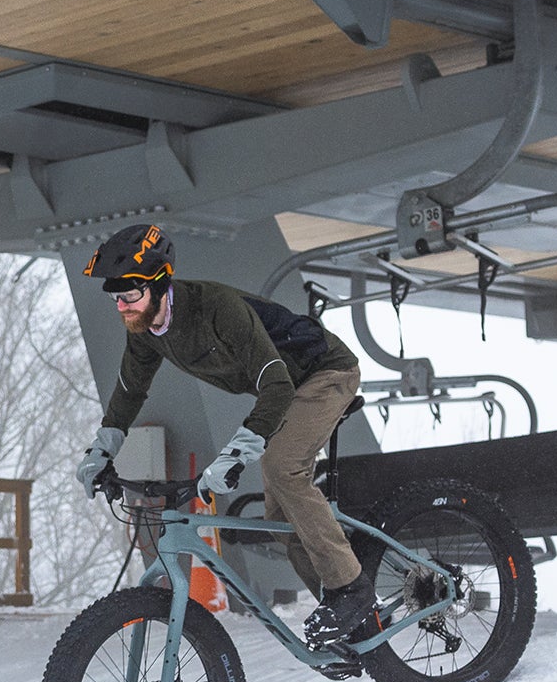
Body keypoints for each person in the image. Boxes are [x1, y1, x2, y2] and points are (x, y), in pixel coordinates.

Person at [74, 222, 377, 652]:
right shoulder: (147, 331)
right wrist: (103, 449)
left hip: (324, 372)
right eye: (116, 297)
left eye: (130, 295)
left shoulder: (215, 307)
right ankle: (349, 620)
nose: (122, 306)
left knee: (281, 468)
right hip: (290, 388)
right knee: (280, 519)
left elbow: (275, 383)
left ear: (160, 284)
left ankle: (352, 591)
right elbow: (130, 391)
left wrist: (240, 449)